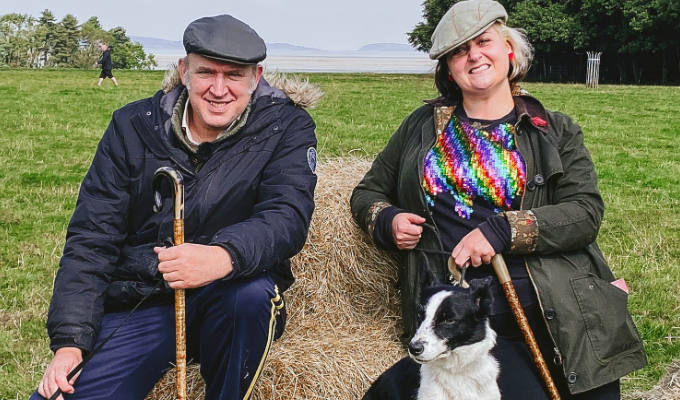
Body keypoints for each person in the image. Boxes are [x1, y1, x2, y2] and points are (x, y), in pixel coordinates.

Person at [350, 0, 646, 398]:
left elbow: (585, 213)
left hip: (562, 306)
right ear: (449, 70)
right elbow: (368, 192)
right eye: (459, 51)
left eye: (483, 42)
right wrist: (386, 220)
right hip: (468, 320)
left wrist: (501, 230)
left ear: (508, 49)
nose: (473, 55)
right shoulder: (421, 129)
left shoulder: (554, 130)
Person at [32, 14, 318, 400]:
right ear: (184, 71)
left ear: (256, 76)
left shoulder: (286, 127)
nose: (219, 89)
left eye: (233, 75)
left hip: (230, 296)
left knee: (251, 298)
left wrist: (222, 256)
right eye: (206, 73)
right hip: (144, 300)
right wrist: (70, 342)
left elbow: (286, 216)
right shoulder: (133, 126)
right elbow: (92, 237)